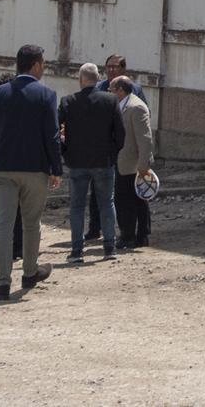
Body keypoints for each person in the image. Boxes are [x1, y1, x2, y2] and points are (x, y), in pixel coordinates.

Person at [0, 43, 63, 300]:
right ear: (37, 65)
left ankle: (2, 283)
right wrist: (56, 168)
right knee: (31, 223)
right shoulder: (46, 95)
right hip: (34, 167)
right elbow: (51, 136)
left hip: (3, 168)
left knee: (4, 225)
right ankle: (29, 272)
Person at [58, 61, 124, 264]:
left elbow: (56, 130)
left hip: (77, 162)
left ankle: (77, 250)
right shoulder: (111, 100)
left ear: (80, 80)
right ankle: (109, 247)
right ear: (98, 79)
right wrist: (112, 154)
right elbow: (120, 133)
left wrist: (65, 153)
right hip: (103, 161)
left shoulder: (68, 101)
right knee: (106, 203)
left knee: (77, 206)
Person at [84, 54, 141, 242]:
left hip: (124, 150)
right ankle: (95, 228)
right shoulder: (100, 88)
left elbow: (142, 119)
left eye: (115, 67)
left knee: (126, 193)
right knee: (97, 191)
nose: (111, 70)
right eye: (108, 67)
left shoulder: (135, 90)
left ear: (123, 69)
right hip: (102, 148)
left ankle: (132, 232)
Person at [110, 74, 155, 249]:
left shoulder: (136, 107)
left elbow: (145, 139)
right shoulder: (122, 106)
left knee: (129, 202)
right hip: (124, 163)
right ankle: (136, 235)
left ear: (120, 90)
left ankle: (131, 236)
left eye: (111, 90)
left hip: (132, 165)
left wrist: (143, 166)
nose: (110, 93)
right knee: (133, 201)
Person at [0, 71, 25, 262]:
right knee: (13, 211)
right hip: (16, 165)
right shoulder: (14, 106)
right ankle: (14, 247)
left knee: (1, 209)